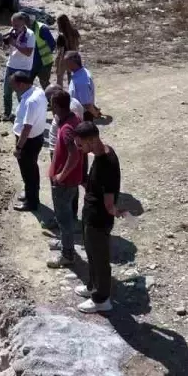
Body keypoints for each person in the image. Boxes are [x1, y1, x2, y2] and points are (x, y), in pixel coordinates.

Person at [72, 122, 121, 314]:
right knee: (91, 254)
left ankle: (102, 299)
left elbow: (109, 204)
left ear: (92, 140)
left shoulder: (106, 164)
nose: (78, 148)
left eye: (81, 144)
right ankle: (92, 285)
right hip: (90, 214)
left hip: (98, 220)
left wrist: (118, 211)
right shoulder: (102, 154)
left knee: (100, 259)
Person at [46, 90, 84, 270]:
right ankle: (65, 243)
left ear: (56, 106)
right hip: (69, 180)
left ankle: (67, 255)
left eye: (51, 103)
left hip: (64, 182)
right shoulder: (73, 119)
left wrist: (61, 175)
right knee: (66, 215)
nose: (49, 106)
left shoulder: (68, 127)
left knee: (64, 218)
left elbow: (74, 155)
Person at [11, 70, 47, 213]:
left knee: (28, 171)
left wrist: (19, 147)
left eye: (13, 85)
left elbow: (26, 128)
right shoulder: (37, 91)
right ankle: (29, 193)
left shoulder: (31, 101)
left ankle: (31, 203)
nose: (12, 87)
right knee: (31, 170)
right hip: (34, 139)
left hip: (28, 142)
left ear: (20, 84)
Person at [1, 12, 34, 121]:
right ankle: (7, 113)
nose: (14, 27)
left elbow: (29, 52)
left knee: (22, 94)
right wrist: (5, 43)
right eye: (12, 24)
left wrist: (15, 44)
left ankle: (24, 115)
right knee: (7, 91)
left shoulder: (30, 34)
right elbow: (6, 50)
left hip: (24, 68)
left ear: (23, 22)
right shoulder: (11, 32)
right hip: (11, 65)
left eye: (16, 25)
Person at [65, 51, 101, 121]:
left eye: (66, 63)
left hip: (82, 116)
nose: (64, 66)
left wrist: (95, 114)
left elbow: (86, 104)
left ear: (73, 63)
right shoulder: (82, 72)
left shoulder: (81, 82)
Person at [28, 14, 57, 89]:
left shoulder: (42, 28)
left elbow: (52, 44)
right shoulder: (25, 29)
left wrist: (43, 57)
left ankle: (52, 99)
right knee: (27, 83)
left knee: (44, 83)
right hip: (31, 62)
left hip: (44, 63)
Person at [54, 14, 81, 86]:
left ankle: (60, 95)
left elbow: (61, 51)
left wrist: (58, 65)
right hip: (74, 57)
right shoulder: (75, 32)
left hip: (64, 58)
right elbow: (77, 45)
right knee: (71, 79)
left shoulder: (61, 36)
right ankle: (72, 93)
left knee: (59, 79)